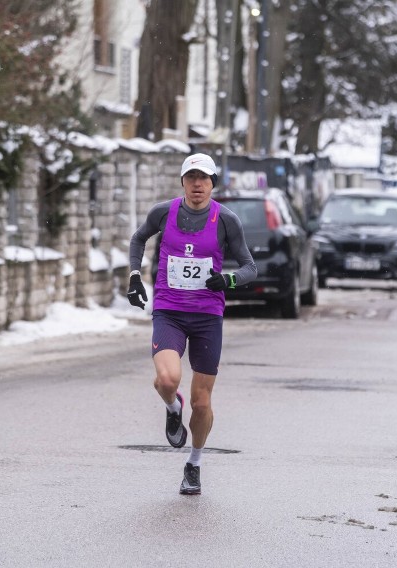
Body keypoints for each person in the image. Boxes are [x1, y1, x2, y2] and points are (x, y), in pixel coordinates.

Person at [127, 152, 257, 495]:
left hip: (207, 317)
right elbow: (139, 238)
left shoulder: (226, 220)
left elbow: (250, 267)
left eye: (204, 178)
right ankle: (172, 408)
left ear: (213, 182)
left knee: (202, 403)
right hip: (169, 311)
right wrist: (134, 276)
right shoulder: (164, 212)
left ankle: (194, 464)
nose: (197, 185)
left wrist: (227, 281)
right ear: (182, 182)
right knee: (167, 379)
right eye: (191, 178)